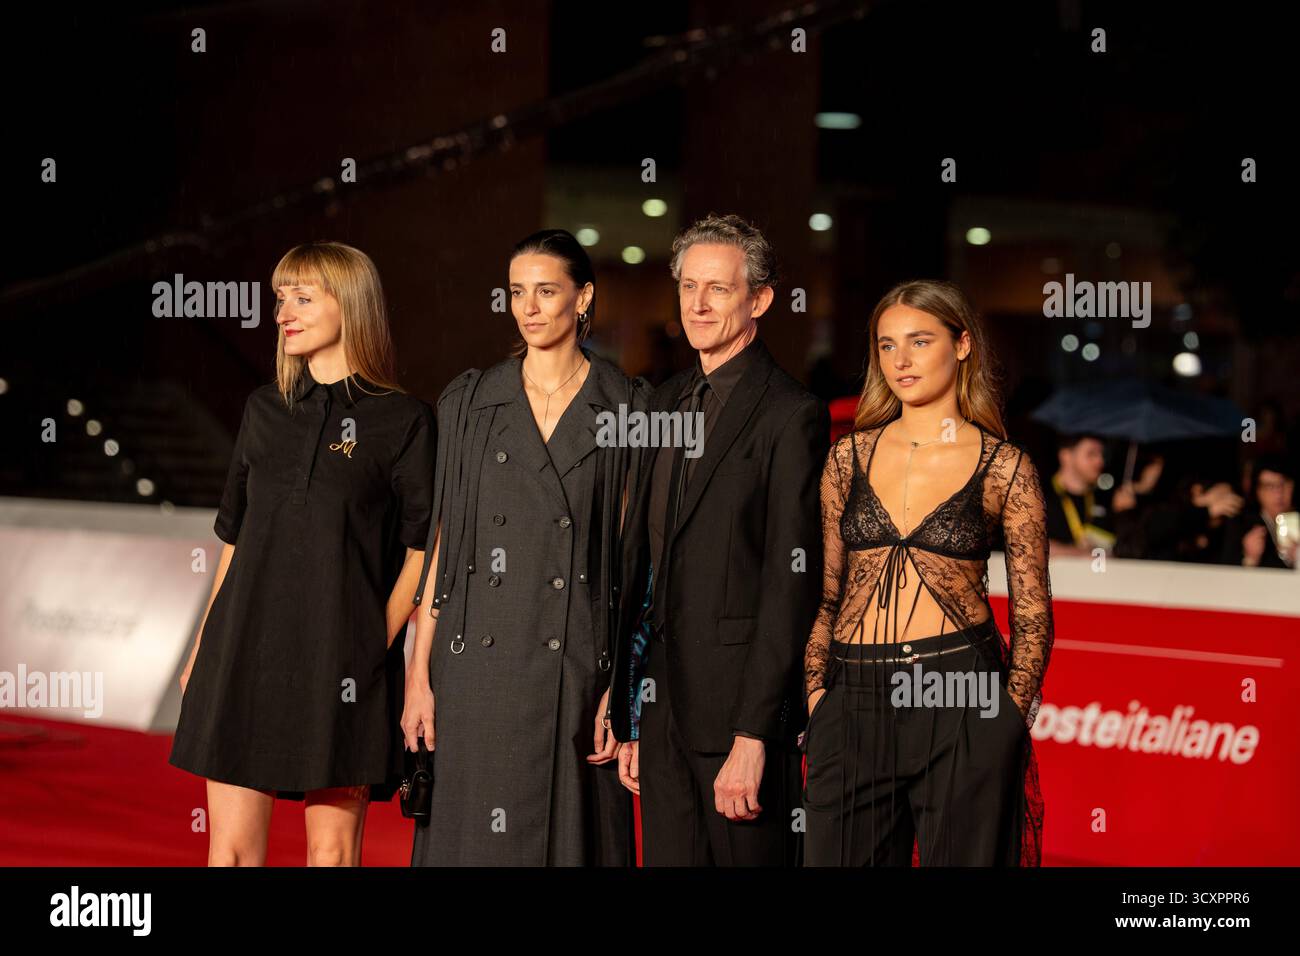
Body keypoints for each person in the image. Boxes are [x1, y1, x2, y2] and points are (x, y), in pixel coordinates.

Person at [169, 242, 435, 866]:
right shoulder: (262, 411)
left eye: (303, 297)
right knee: (230, 856)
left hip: (341, 667)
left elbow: (424, 553)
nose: (284, 311)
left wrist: (372, 643)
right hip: (241, 654)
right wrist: (203, 647)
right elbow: (233, 542)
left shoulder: (403, 421)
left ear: (353, 306)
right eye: (280, 297)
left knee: (333, 856)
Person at [405, 229, 649, 866]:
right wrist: (418, 677)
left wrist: (621, 688)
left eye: (547, 291)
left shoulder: (626, 406)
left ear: (583, 297)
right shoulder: (469, 402)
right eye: (518, 292)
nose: (530, 307)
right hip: (474, 670)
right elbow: (445, 548)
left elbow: (634, 565)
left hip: (575, 669)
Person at [802, 279, 1053, 866]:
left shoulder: (1005, 467)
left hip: (960, 694)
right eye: (887, 346)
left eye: (919, 341)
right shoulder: (847, 457)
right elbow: (829, 595)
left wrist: (1008, 718)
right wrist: (819, 697)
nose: (901, 360)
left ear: (962, 344)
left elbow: (1033, 610)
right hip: (853, 697)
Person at [608, 213, 829, 866]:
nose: (698, 304)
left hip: (740, 719)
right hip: (664, 713)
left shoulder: (791, 416)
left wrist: (755, 734)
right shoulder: (664, 403)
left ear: (759, 299)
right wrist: (634, 713)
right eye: (687, 287)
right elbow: (646, 567)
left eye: (719, 289)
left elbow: (791, 585)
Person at [1221, 454, 1297, 569]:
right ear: (1257, 491)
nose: (1278, 493)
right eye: (1269, 486)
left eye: (1283, 484)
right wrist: (1250, 559)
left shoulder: (1295, 520)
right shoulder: (1242, 525)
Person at [1045, 433, 1116, 555]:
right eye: (1091, 454)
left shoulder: (1105, 499)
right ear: (1066, 456)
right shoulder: (1038, 496)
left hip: (1095, 572)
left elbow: (1116, 551)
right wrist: (1081, 553)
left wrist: (1125, 515)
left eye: (1101, 454)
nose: (1100, 461)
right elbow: (1029, 546)